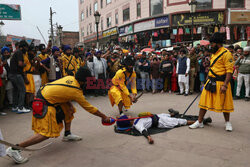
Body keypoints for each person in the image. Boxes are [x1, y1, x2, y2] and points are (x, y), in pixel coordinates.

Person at [6, 67, 113, 164]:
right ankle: (15, 148)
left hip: (46, 95)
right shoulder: (76, 91)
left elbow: (62, 92)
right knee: (46, 134)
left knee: (69, 110)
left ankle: (67, 134)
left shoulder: (71, 78)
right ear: (83, 81)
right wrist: (104, 117)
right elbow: (89, 108)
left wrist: (69, 104)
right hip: (44, 102)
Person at [189, 32, 234, 131]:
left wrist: (225, 85)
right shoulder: (213, 53)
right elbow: (212, 68)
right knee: (203, 102)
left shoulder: (227, 54)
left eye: (212, 43)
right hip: (210, 81)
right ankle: (199, 122)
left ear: (217, 43)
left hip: (222, 83)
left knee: (224, 103)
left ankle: (227, 123)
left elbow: (229, 71)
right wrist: (206, 80)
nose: (211, 45)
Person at [116, 112, 211, 144]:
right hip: (160, 122)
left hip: (156, 116)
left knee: (167, 115)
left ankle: (172, 113)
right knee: (179, 121)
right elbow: (144, 131)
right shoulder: (137, 125)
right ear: (128, 121)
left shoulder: (137, 118)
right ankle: (202, 121)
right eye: (127, 117)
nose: (128, 115)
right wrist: (149, 138)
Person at [9, 40, 31, 113]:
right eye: (26, 48)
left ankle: (15, 107)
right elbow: (20, 64)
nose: (27, 49)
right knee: (22, 90)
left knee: (16, 90)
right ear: (23, 47)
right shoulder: (19, 53)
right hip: (16, 74)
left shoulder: (16, 52)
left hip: (12, 74)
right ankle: (20, 108)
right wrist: (25, 64)